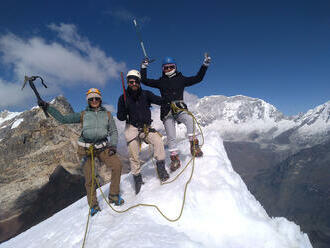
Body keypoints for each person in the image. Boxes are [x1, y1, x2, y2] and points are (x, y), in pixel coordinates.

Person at [38, 88, 124, 216]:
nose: (94, 101)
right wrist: (48, 107)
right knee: (89, 178)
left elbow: (113, 131)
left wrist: (113, 145)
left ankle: (114, 195)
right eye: (91, 99)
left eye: (96, 98)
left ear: (100, 99)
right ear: (88, 101)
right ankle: (93, 205)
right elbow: (63, 119)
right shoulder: (83, 114)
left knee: (117, 165)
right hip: (85, 149)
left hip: (103, 147)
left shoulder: (107, 115)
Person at [140, 54, 211, 171]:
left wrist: (205, 65)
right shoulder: (161, 81)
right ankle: (174, 158)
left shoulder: (181, 79)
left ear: (175, 67)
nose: (168, 69)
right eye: (166, 67)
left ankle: (194, 145)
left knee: (189, 119)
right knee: (171, 135)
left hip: (179, 108)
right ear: (163, 69)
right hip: (167, 111)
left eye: (170, 67)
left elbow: (198, 78)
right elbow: (144, 81)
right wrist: (144, 67)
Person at [117, 69, 169, 194]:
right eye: (130, 82)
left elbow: (159, 100)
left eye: (135, 81)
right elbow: (120, 117)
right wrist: (123, 109)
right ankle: (137, 178)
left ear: (139, 82)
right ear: (128, 83)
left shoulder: (146, 94)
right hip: (132, 127)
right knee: (133, 153)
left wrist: (168, 98)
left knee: (158, 141)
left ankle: (161, 168)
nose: (133, 84)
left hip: (145, 127)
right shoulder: (122, 98)